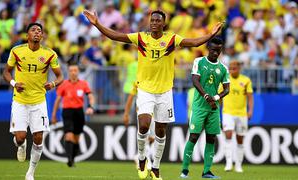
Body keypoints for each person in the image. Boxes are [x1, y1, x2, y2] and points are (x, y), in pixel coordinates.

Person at [83, 9, 224, 179]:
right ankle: (142, 158)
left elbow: (193, 43)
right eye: (152, 20)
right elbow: (115, 36)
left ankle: (156, 167)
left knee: (160, 131)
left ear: (163, 23)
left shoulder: (171, 39)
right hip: (145, 89)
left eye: (158, 21)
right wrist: (97, 24)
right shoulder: (141, 38)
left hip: (165, 91)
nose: (154, 23)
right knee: (143, 125)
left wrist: (210, 34)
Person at [3, 23, 63, 180]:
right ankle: (21, 145)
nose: (37, 32)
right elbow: (6, 72)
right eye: (33, 30)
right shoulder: (16, 51)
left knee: (38, 138)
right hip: (20, 100)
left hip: (38, 101)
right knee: (20, 137)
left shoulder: (50, 54)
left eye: (40, 31)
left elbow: (60, 76)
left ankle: (30, 173)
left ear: (42, 36)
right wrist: (14, 84)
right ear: (27, 35)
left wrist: (53, 84)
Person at [180, 37, 230, 179]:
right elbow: (195, 80)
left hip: (213, 108)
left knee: (211, 138)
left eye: (218, 50)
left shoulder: (223, 68)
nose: (215, 53)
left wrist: (216, 98)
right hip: (199, 107)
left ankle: (207, 171)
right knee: (194, 136)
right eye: (213, 50)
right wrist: (207, 96)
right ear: (208, 48)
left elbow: (227, 89)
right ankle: (184, 171)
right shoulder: (199, 62)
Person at [51, 64, 95, 167]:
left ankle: (73, 159)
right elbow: (58, 100)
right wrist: (53, 115)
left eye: (75, 70)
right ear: (68, 72)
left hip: (79, 112)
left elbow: (90, 96)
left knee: (76, 138)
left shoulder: (83, 84)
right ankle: (69, 159)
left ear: (78, 71)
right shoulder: (64, 84)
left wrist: (90, 107)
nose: (73, 72)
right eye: (71, 70)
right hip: (67, 112)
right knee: (69, 135)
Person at [221, 60, 254, 173]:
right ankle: (229, 163)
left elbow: (250, 97)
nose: (232, 70)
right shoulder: (225, 79)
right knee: (228, 134)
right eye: (230, 68)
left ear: (239, 68)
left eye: (234, 68)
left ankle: (238, 165)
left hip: (241, 114)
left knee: (240, 139)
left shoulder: (246, 80)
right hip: (227, 112)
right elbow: (220, 96)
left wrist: (250, 111)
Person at [122, 82, 155, 170]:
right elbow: (130, 97)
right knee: (146, 135)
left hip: (155, 112)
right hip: (143, 111)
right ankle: (145, 159)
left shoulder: (157, 78)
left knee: (152, 138)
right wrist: (126, 113)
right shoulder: (139, 81)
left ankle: (140, 156)